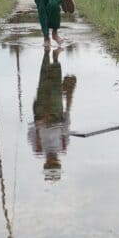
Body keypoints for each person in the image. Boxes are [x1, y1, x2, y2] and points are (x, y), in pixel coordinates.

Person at [28, 47, 76, 181]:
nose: (52, 161)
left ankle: (47, 54)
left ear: (45, 164)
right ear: (59, 163)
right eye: (54, 164)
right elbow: (66, 122)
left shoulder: (38, 148)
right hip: (56, 111)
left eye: (50, 164)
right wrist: (70, 96)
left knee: (43, 82)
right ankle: (54, 58)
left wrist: (40, 122)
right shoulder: (63, 145)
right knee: (55, 86)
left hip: (42, 111)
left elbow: (31, 128)